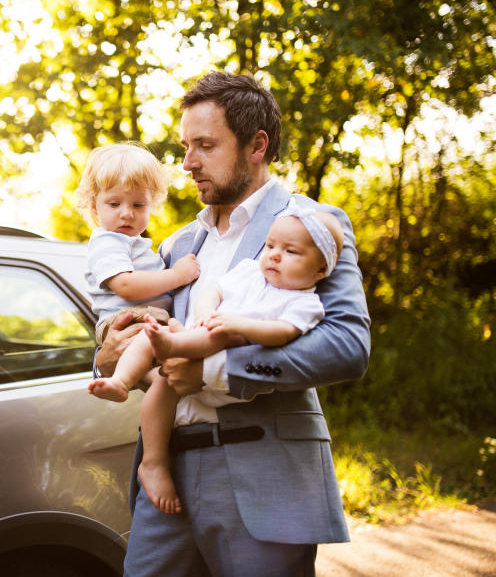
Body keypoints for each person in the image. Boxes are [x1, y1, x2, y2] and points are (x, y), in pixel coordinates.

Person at [94, 72, 371, 577]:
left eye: (204, 145)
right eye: (185, 146)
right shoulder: (177, 246)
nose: (187, 162)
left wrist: (216, 372)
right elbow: (146, 332)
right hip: (165, 476)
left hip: (263, 476)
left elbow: (347, 346)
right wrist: (111, 347)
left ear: (256, 146)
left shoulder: (311, 225)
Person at [76, 142, 201, 515]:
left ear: (152, 204)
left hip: (144, 320)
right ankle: (120, 382)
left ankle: (155, 461)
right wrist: (176, 276)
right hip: (129, 320)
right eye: (114, 204)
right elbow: (126, 286)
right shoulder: (107, 241)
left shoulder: (137, 243)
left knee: (164, 385)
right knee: (154, 343)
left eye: (138, 205)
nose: (126, 214)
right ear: (93, 205)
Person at [143, 203, 344, 371]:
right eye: (270, 245)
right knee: (145, 340)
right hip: (198, 331)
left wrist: (238, 325)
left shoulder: (306, 303)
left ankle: (172, 345)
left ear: (321, 270)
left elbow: (282, 332)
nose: (274, 255)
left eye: (290, 251)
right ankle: (123, 379)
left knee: (220, 335)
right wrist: (205, 312)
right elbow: (214, 291)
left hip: (227, 353)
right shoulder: (250, 271)